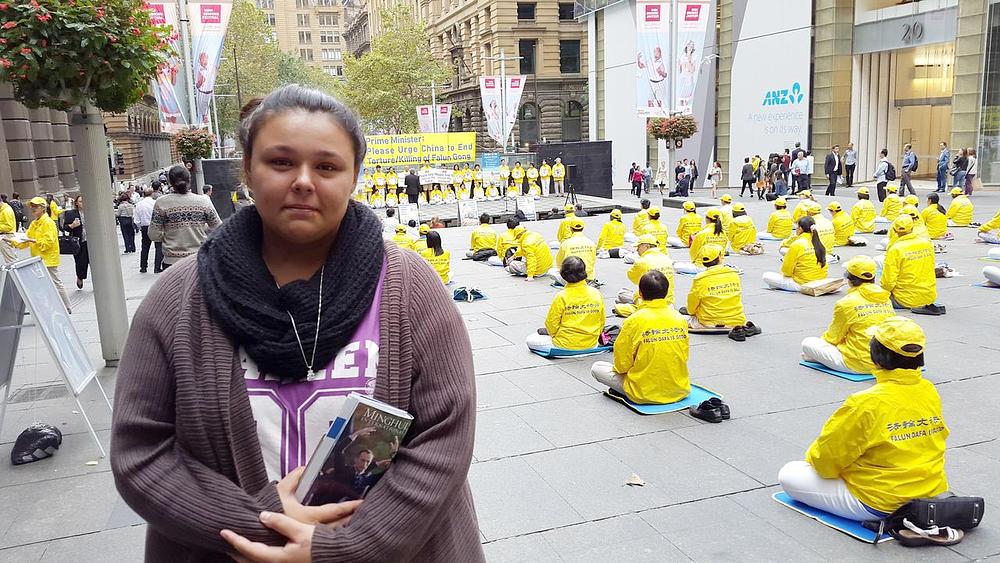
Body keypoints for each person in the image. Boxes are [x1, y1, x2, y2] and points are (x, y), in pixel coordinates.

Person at [112, 85, 483, 562]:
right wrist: (258, 525)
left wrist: (345, 548)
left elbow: (445, 437)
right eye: (281, 162)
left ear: (354, 176)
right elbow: (141, 452)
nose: (304, 181)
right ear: (248, 170)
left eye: (327, 166)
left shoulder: (411, 286)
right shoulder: (177, 298)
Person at [780, 317, 949, 523]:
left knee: (789, 473)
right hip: (929, 490)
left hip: (879, 502)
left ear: (877, 356)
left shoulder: (865, 402)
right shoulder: (929, 390)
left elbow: (825, 460)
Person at [593, 270, 690, 403]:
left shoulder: (633, 320)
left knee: (597, 368)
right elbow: (683, 355)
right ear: (667, 292)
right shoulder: (680, 318)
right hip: (678, 389)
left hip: (643, 392)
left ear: (640, 293)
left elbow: (621, 365)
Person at [800, 256, 893, 374]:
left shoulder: (846, 303)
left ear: (849, 279)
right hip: (884, 362)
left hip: (858, 364)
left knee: (808, 343)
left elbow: (832, 338)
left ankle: (820, 358)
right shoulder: (885, 297)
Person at [148, 164, 221, 270]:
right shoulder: (203, 201)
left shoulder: (161, 203)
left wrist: (169, 234)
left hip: (172, 263)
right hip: (198, 261)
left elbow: (153, 235)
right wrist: (202, 229)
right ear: (189, 180)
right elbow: (218, 228)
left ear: (170, 182)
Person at [526, 257, 604, 354]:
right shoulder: (596, 293)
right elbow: (601, 321)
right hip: (591, 344)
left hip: (565, 345)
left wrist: (555, 336)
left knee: (530, 339)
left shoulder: (561, 296)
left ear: (563, 274)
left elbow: (551, 324)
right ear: (584, 272)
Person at [11, 198, 71, 312]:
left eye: (36, 206)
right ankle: (49, 308)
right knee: (42, 284)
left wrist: (33, 240)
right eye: (32, 206)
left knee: (55, 282)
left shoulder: (48, 223)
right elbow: (26, 239)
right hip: (37, 259)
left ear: (43, 208)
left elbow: (48, 243)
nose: (33, 209)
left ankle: (67, 307)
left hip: (48, 259)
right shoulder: (34, 223)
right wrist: (13, 241)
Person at [685, 244, 755, 340]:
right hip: (736, 320)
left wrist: (691, 312)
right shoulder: (734, 273)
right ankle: (737, 328)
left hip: (709, 322)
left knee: (678, 318)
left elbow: (692, 306)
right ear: (720, 257)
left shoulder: (700, 278)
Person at [881, 215, 939, 313]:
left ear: (894, 230)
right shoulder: (927, 244)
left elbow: (888, 282)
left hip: (904, 300)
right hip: (928, 297)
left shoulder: (895, 249)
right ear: (912, 228)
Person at [614, 234, 675, 317]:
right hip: (668, 302)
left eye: (638, 246)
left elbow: (632, 277)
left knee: (621, 296)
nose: (637, 250)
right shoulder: (667, 258)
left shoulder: (642, 261)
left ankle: (640, 310)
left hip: (648, 301)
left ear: (646, 246)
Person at [763, 216, 828, 292]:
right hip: (820, 280)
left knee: (766, 276)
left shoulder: (797, 244)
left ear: (800, 229)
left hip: (802, 283)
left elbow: (786, 271)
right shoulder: (819, 242)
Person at [551, 218, 598, 284]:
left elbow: (559, 263)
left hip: (571, 278)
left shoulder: (565, 243)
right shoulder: (591, 243)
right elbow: (593, 260)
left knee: (551, 271)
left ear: (571, 229)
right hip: (588, 276)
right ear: (583, 228)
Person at [60, 196, 90, 288]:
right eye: (81, 201)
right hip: (79, 242)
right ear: (76, 203)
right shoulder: (71, 213)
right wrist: (72, 225)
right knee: (81, 262)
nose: (83, 203)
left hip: (91, 242)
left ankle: (98, 281)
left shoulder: (91, 212)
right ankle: (80, 277)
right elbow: (65, 228)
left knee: (95, 262)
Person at [0, 194, 16, 262]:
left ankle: (15, 268)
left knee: (10, 259)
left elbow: (9, 226)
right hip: (5, 236)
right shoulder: (3, 209)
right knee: (10, 257)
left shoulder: (6, 211)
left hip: (6, 236)